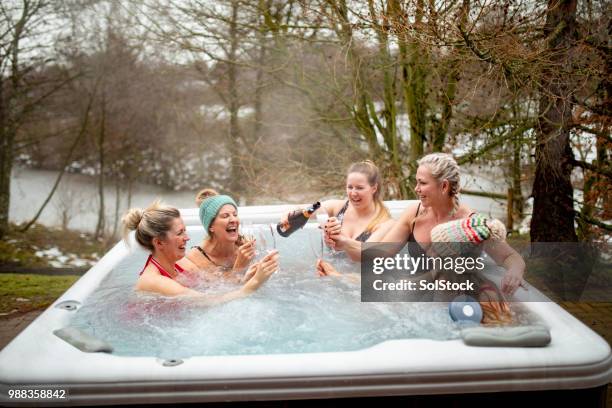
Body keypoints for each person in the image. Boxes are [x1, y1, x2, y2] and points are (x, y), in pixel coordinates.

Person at [376, 153, 525, 296]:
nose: (416, 188)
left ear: (444, 186)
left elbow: (510, 257)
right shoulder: (413, 214)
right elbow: (380, 254)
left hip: (455, 300)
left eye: (422, 183)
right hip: (415, 293)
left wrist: (515, 272)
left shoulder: (471, 223)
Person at [123, 200, 278, 303]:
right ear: (159, 242)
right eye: (180, 233)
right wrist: (256, 282)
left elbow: (219, 289)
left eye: (185, 231)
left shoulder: (181, 264)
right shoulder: (152, 280)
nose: (187, 238)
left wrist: (247, 277)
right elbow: (209, 302)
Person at [282, 160, 395, 262]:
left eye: (359, 188)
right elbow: (314, 208)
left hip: (357, 278)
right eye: (350, 187)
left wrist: (342, 239)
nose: (353, 193)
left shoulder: (385, 223)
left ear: (374, 188)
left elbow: (369, 255)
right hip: (330, 272)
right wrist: (292, 212)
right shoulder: (338, 207)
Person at [178, 189, 257, 283]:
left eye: (235, 215)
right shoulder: (195, 261)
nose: (233, 220)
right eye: (225, 216)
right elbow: (219, 294)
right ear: (211, 226)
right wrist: (239, 268)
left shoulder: (246, 245)